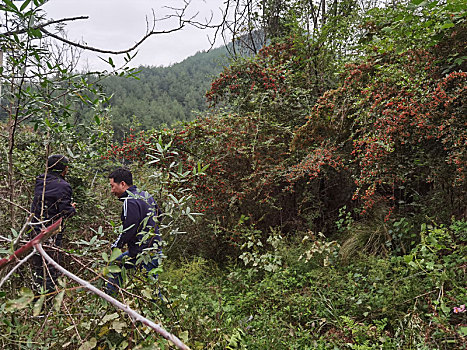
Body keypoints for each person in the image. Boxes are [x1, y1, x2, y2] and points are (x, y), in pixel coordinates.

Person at [106, 168, 162, 295]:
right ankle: (112, 298)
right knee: (151, 283)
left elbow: (129, 229)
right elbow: (159, 215)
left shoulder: (129, 201)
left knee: (151, 288)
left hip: (142, 252)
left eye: (113, 186)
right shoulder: (146, 195)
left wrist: (117, 245)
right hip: (154, 248)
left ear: (123, 184)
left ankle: (109, 298)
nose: (112, 190)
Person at [30, 154, 76, 293]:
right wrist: (72, 208)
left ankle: (37, 297)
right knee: (51, 267)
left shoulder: (40, 180)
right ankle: (48, 301)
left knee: (38, 267)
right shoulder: (64, 186)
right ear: (64, 169)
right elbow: (66, 211)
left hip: (35, 230)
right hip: (51, 232)